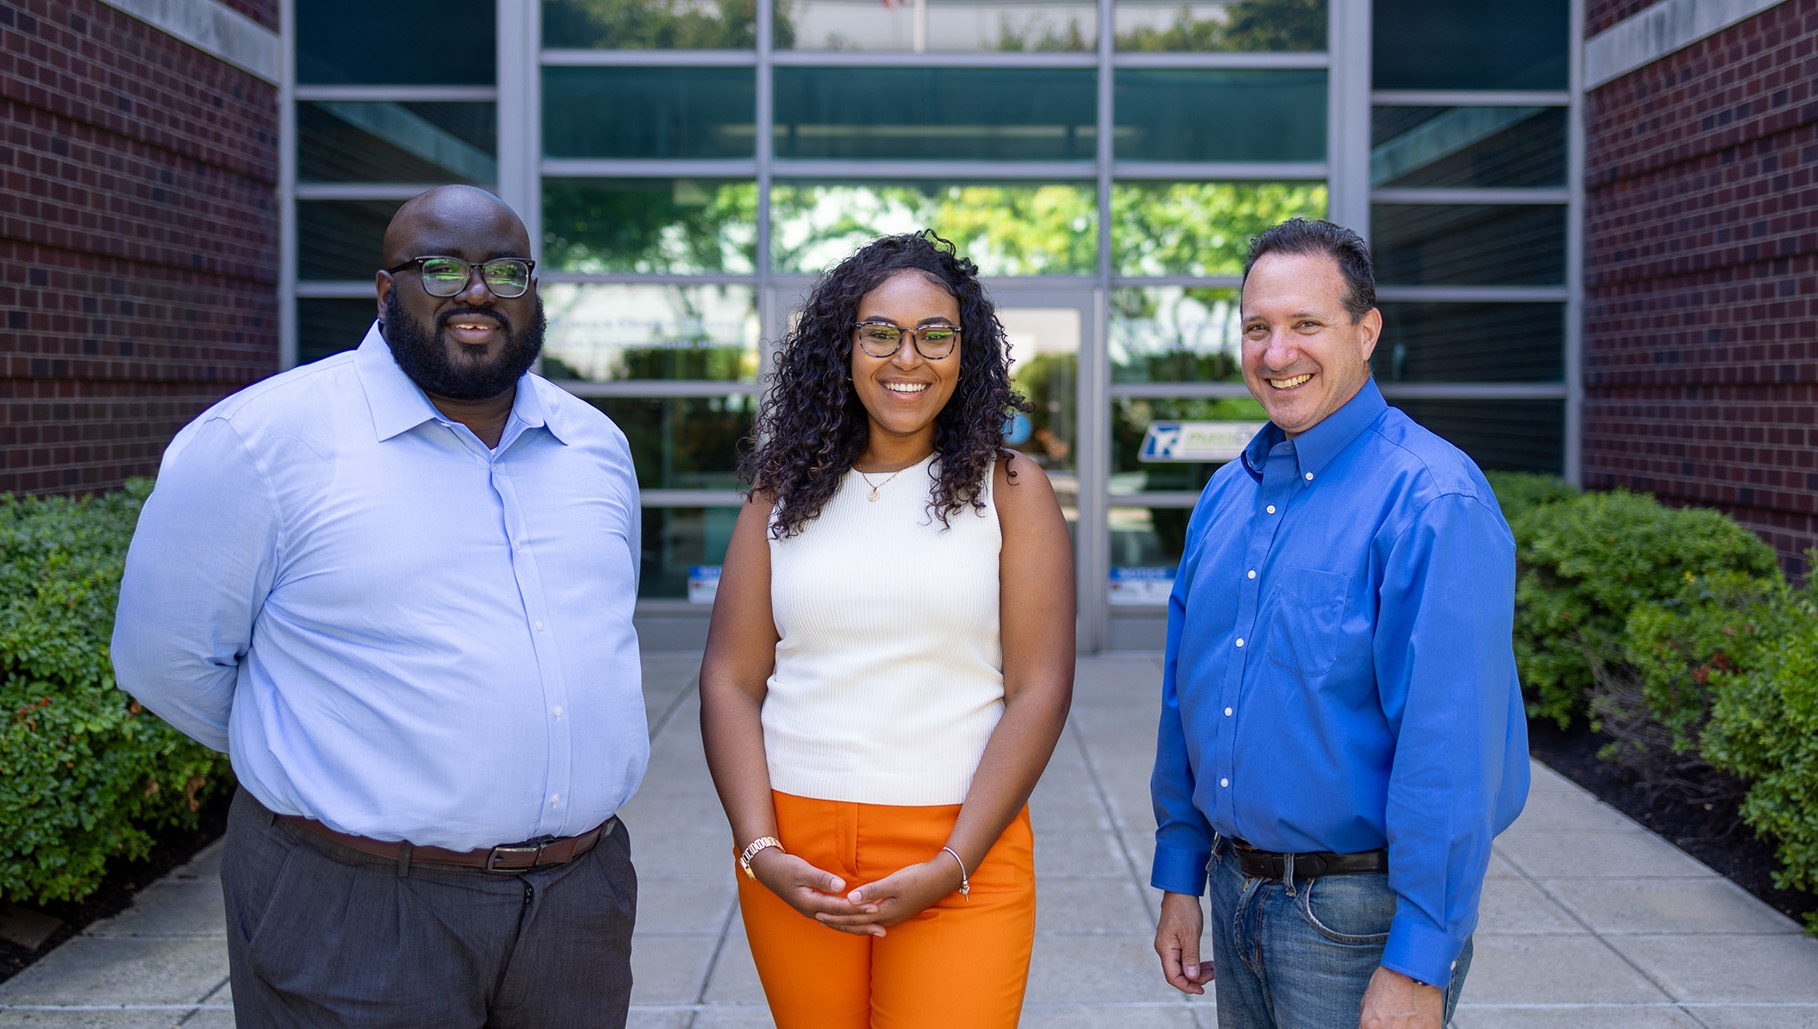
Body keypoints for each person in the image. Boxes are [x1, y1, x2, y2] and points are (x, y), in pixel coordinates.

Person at [111, 185, 647, 1027]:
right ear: (385, 289)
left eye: (506, 271)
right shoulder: (260, 441)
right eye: (442, 267)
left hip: (576, 905)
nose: (478, 293)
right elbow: (161, 659)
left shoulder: (595, 447)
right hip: (354, 903)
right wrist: (322, 742)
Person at [1149, 218, 1530, 1029]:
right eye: (1258, 327)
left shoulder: (1433, 501)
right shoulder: (1225, 496)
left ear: (1367, 331)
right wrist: (1181, 871)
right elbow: (1185, 699)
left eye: (1305, 325)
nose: (1276, 352)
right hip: (1233, 887)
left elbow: (1452, 758)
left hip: (1357, 920)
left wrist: (1420, 960)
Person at [699, 231, 1075, 1027]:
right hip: (796, 849)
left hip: (963, 848)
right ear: (844, 347)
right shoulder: (782, 492)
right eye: (881, 332)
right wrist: (760, 849)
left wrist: (953, 862)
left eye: (935, 334)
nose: (909, 357)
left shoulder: (1010, 488)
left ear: (964, 353)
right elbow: (730, 680)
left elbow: (1040, 690)